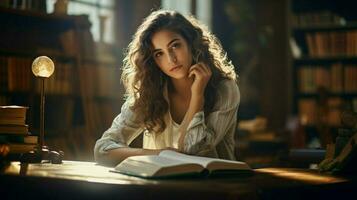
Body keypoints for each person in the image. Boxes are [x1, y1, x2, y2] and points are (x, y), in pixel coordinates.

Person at [94, 10, 240, 166]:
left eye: (175, 46)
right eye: (159, 54)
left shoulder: (225, 89)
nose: (171, 59)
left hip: (215, 186)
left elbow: (193, 150)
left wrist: (197, 96)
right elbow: (102, 150)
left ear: (191, 44)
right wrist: (160, 154)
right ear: (153, 60)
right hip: (160, 187)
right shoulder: (150, 93)